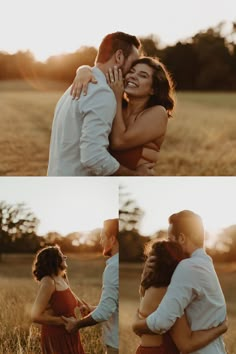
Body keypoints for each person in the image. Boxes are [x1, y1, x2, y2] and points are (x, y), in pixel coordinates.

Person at [47, 31, 154, 176]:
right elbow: (93, 157)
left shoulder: (73, 88)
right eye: (133, 63)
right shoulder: (101, 93)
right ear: (119, 56)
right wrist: (134, 175)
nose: (131, 72)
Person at [132, 210, 227, 354]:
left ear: (182, 238)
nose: (169, 245)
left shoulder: (187, 267)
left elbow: (162, 322)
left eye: (171, 239)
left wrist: (136, 326)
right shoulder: (205, 264)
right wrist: (146, 278)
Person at [71, 56, 175, 171]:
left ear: (153, 89)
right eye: (132, 71)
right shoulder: (118, 107)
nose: (133, 76)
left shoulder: (158, 112)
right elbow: (99, 70)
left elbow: (118, 142)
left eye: (143, 75)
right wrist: (83, 70)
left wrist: (116, 95)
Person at [63, 219, 119, 354]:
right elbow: (115, 307)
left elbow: (105, 311)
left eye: (102, 237)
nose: (101, 242)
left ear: (112, 239)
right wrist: (92, 309)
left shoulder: (113, 268)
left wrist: (77, 324)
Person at [31, 245, 85, 354]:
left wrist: (81, 305)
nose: (65, 257)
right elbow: (35, 316)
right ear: (54, 260)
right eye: (61, 255)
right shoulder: (48, 282)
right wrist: (64, 321)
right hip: (56, 337)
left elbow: (69, 293)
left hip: (70, 333)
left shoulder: (62, 277)